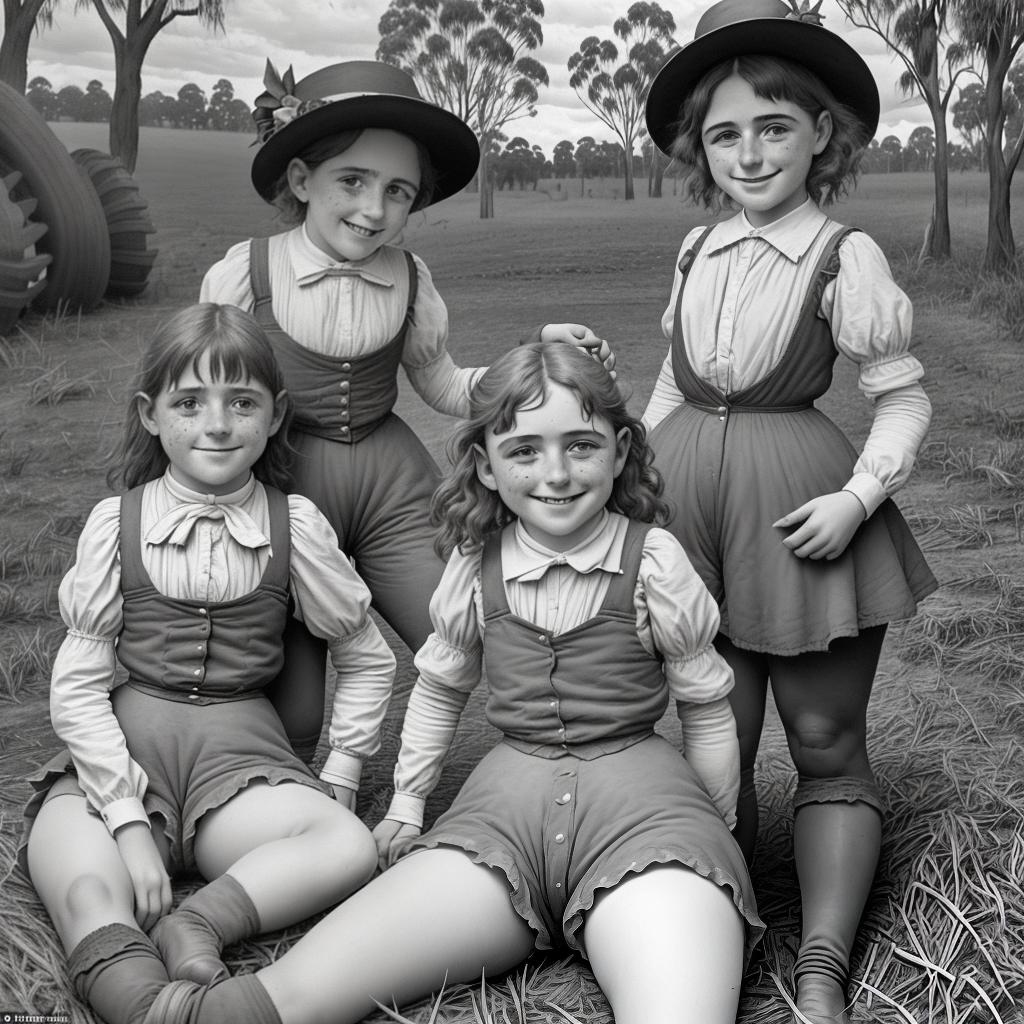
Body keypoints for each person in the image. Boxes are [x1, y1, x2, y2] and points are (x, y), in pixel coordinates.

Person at [135, 340, 764, 1024]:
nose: (555, 473)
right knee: (291, 995)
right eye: (524, 450)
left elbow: (705, 706)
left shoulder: (654, 562)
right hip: (500, 819)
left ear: (619, 450)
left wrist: (715, 827)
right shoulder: (476, 564)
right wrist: (407, 805)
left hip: (644, 816)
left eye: (580, 446)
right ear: (486, 467)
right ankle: (165, 993)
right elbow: (439, 689)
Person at [640, 2, 939, 1021]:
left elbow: (899, 396)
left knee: (819, 731)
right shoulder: (696, 250)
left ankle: (819, 960)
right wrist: (631, 486)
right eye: (725, 133)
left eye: (774, 126)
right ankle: (710, 936)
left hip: (800, 504)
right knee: (709, 722)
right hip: (686, 511)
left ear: (822, 132)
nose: (749, 152)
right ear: (699, 148)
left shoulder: (841, 252)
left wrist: (859, 499)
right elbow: (674, 386)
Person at [201, 59, 613, 762]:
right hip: (282, 486)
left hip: (392, 482)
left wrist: (533, 355)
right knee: (291, 691)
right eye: (352, 182)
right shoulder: (246, 271)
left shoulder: (411, 277)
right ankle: (288, 802)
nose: (374, 210)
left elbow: (447, 386)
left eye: (398, 191)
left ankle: (540, 772)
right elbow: (207, 396)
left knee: (458, 628)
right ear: (301, 180)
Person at [22, 303, 398, 1024]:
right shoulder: (118, 522)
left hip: (239, 768)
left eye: (242, 403)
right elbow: (76, 686)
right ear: (152, 414)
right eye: (190, 403)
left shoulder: (296, 526)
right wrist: (127, 822)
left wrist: (342, 774)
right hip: (125, 762)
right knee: (74, 870)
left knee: (345, 844)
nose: (218, 425)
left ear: (275, 414)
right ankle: (140, 999)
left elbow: (365, 654)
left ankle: (200, 924)